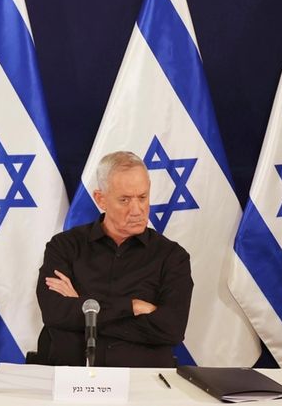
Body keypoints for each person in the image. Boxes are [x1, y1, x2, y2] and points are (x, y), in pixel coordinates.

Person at [36, 151, 192, 367]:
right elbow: (54, 313)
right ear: (101, 199)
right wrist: (132, 307)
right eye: (125, 200)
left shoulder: (173, 257)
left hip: (143, 385)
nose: (137, 210)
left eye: (142, 197)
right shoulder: (64, 247)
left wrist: (85, 307)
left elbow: (171, 329)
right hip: (68, 376)